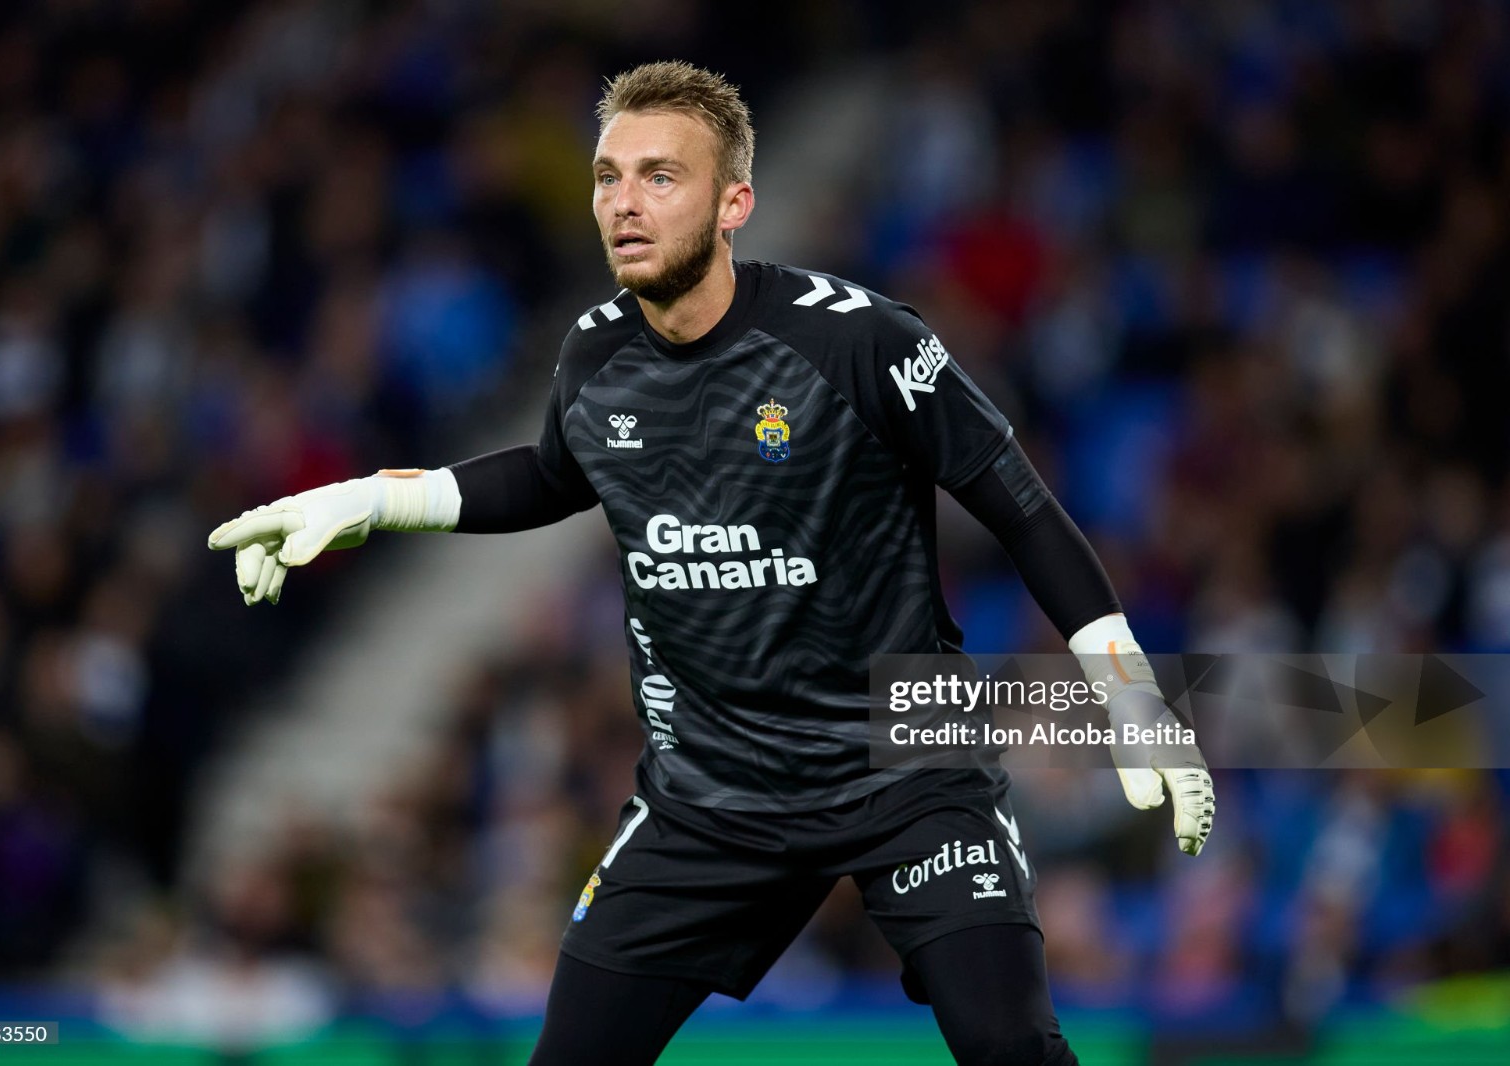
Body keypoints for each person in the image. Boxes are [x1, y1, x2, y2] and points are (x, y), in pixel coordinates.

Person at [209, 60, 1215, 1066]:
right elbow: (553, 475)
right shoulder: (595, 356)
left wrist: (1130, 701)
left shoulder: (858, 342)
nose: (622, 204)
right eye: (607, 177)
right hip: (711, 791)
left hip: (904, 760)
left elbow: (1026, 515)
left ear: (734, 202)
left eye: (659, 176)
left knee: (1011, 1049)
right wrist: (374, 499)